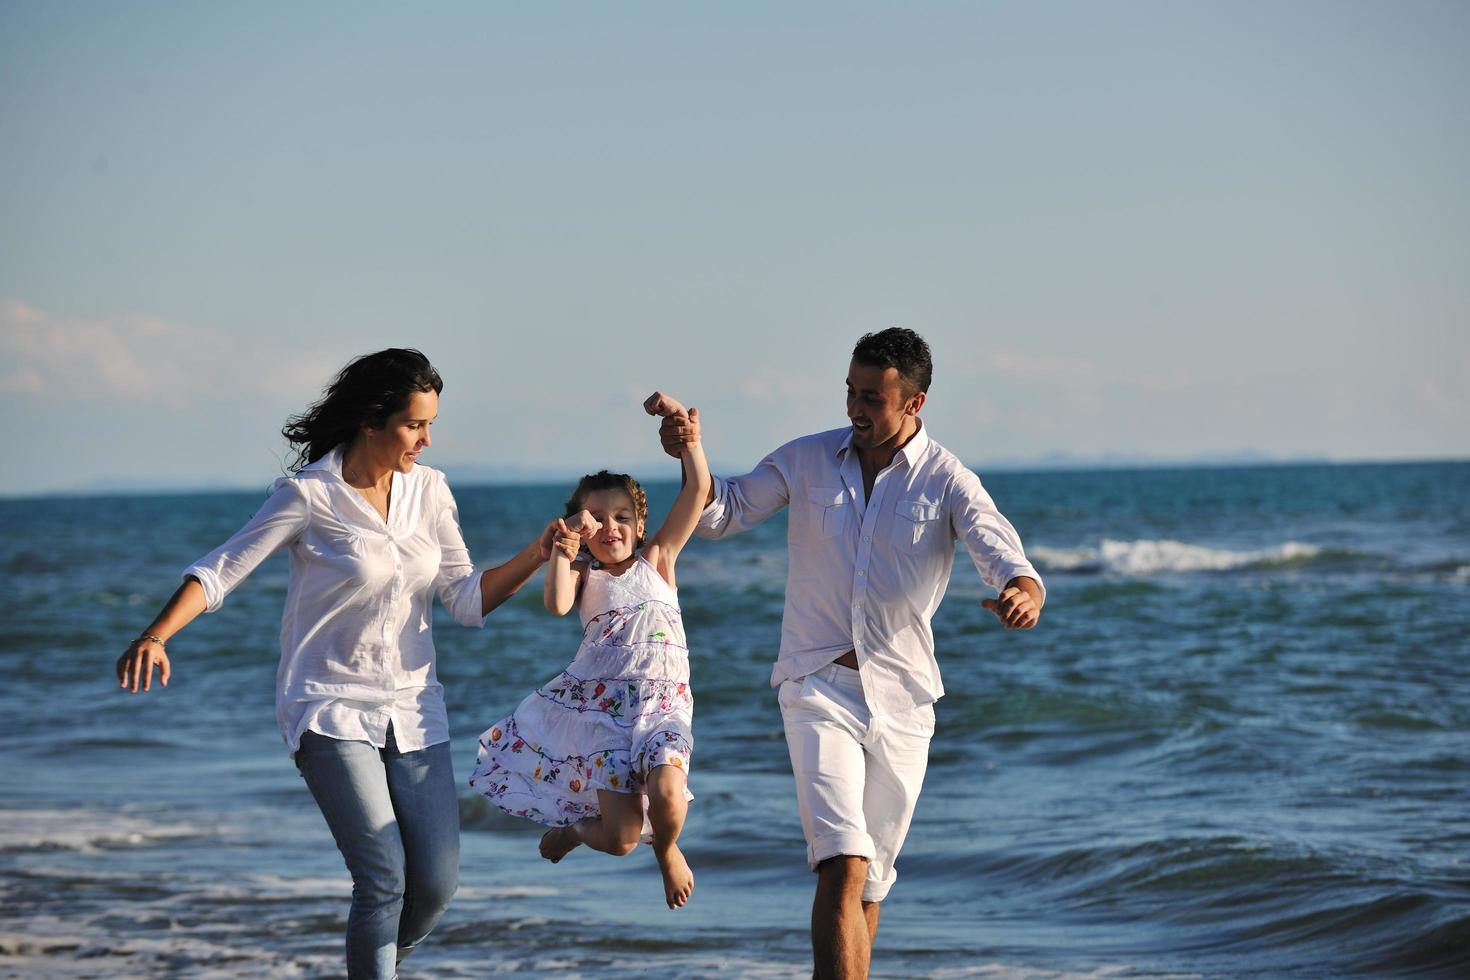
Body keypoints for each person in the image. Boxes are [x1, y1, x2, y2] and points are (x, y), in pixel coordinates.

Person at [114, 348, 557, 980]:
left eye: (432, 424)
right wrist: (156, 635)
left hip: (413, 708)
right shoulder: (309, 496)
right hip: (328, 705)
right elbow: (222, 569)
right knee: (383, 876)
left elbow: (465, 598)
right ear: (371, 422)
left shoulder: (429, 491)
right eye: (414, 425)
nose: (427, 440)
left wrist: (537, 554)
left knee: (434, 884)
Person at [657, 328, 1044, 978]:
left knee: (870, 884)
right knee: (842, 862)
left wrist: (1023, 589)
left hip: (904, 702)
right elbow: (722, 512)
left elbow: (999, 548)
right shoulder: (806, 459)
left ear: (915, 402)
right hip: (814, 686)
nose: (855, 408)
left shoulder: (948, 479)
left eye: (873, 398)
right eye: (851, 392)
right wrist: (690, 453)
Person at [468, 393, 710, 910]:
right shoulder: (584, 576)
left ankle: (667, 850)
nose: (611, 526)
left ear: (640, 526)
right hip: (604, 719)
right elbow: (556, 605)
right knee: (621, 838)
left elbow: (699, 488)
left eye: (621, 515)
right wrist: (561, 552)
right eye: (596, 518)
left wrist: (687, 440)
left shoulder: (660, 561)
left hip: (663, 707)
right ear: (580, 527)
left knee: (668, 796)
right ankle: (576, 831)